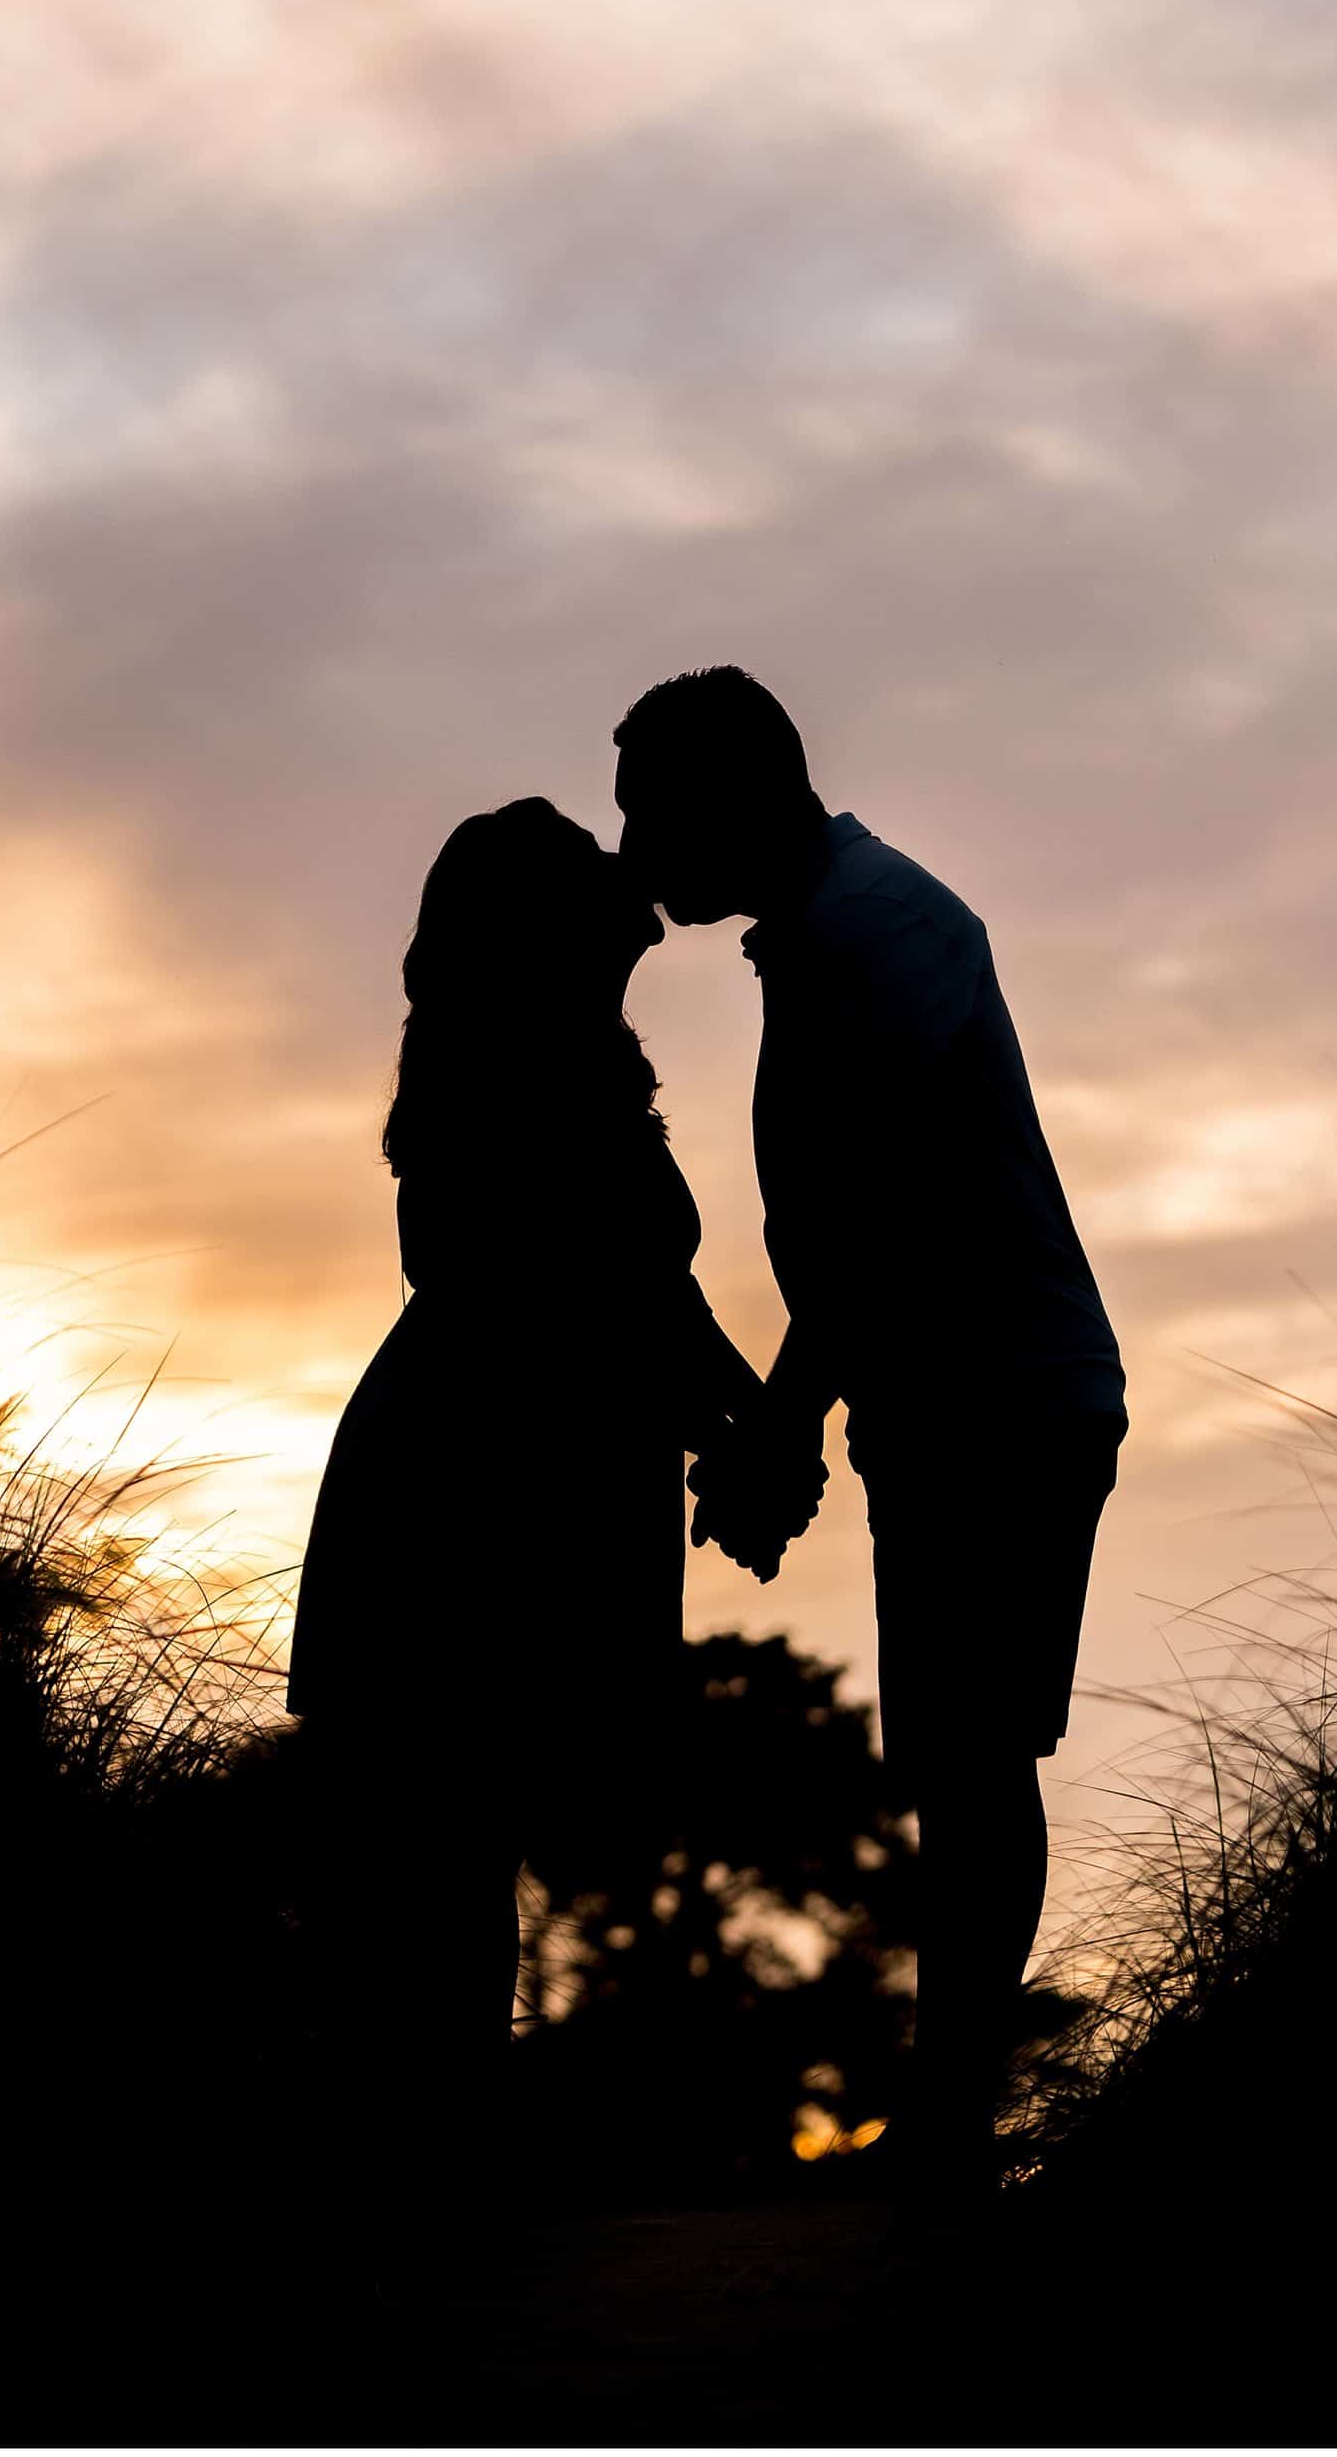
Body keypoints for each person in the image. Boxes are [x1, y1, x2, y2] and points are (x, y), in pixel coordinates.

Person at [614, 668, 1127, 2194]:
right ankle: (946, 2121)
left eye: (655, 806)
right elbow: (856, 1241)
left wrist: (777, 1429)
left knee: (976, 1760)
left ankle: (950, 2129)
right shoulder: (836, 929)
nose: (636, 841)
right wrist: (788, 1422)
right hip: (950, 1401)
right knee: (961, 1762)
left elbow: (877, 1221)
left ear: (738, 793)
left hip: (1003, 1398)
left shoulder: (877, 931)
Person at [283, 796, 766, 2169]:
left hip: (500, 1477)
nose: (630, 879)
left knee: (455, 1854)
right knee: (434, 1861)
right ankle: (413, 2192)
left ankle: (427, 2182)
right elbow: (590, 1291)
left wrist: (751, 1417)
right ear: (543, 929)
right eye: (590, 868)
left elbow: (645, 1290)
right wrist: (743, 1425)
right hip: (466, 1495)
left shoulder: (570, 1065)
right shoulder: (517, 1078)